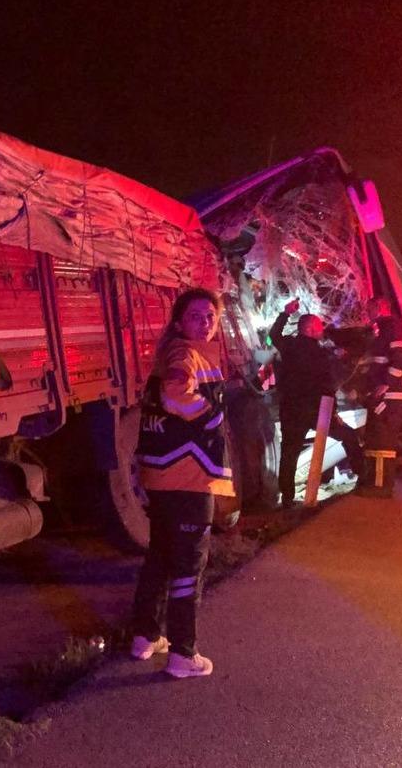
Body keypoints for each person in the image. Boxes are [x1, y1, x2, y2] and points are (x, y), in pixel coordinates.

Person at [130, 288, 233, 679]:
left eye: (210, 315)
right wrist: (209, 418)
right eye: (196, 316)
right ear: (179, 322)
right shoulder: (185, 355)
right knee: (190, 563)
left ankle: (145, 637)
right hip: (187, 479)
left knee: (159, 556)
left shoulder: (178, 352)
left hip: (164, 476)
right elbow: (176, 393)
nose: (205, 322)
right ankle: (183, 653)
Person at [269, 299, 365, 507]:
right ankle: (362, 475)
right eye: (320, 326)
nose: (323, 329)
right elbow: (326, 385)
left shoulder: (290, 346)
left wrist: (285, 313)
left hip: (291, 409)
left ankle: (287, 497)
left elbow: (273, 335)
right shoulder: (320, 354)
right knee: (348, 435)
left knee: (289, 452)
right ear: (311, 329)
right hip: (316, 410)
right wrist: (334, 413)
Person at [356, 311, 402, 497]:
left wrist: (385, 383)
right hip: (384, 397)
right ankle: (375, 481)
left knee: (383, 441)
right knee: (375, 439)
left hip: (392, 397)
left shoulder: (394, 335)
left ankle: (381, 486)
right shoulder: (382, 338)